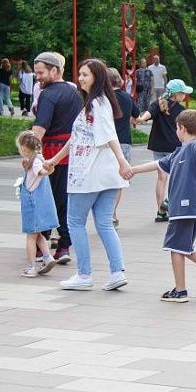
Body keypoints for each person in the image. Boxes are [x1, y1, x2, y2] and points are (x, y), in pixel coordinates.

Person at [43, 59, 131, 291]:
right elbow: (76, 139)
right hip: (105, 175)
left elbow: (110, 135)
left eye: (85, 75)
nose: (80, 78)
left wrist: (122, 161)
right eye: (80, 74)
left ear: (97, 78)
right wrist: (54, 160)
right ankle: (117, 272)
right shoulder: (96, 103)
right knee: (104, 223)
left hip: (89, 174)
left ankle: (84, 274)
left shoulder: (97, 104)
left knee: (75, 222)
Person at [127, 110, 196, 303]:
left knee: (175, 247)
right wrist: (133, 170)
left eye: (176, 128)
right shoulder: (177, 153)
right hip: (184, 209)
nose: (176, 131)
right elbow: (158, 164)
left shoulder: (193, 147)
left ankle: (181, 290)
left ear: (182, 128)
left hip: (186, 207)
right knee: (183, 246)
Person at [32, 51, 81, 265]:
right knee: (64, 199)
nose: (38, 78)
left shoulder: (48, 94)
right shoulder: (74, 93)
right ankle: (64, 246)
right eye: (36, 73)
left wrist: (29, 154)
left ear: (55, 70)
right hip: (71, 153)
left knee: (46, 199)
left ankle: (42, 246)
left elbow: (40, 128)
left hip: (50, 155)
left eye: (41, 73)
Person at [136, 79, 189, 222]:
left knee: (161, 178)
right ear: (177, 94)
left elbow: (148, 114)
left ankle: (160, 212)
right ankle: (168, 202)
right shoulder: (181, 111)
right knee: (178, 177)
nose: (184, 95)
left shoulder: (158, 104)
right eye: (183, 93)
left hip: (158, 145)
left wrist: (140, 119)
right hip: (174, 147)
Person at [15, 131, 58, 278]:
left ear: (24, 148)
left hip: (32, 204)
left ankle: (31, 267)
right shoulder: (36, 158)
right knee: (38, 233)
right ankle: (47, 257)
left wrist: (48, 171)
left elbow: (39, 172)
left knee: (30, 235)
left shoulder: (36, 161)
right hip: (37, 203)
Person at [109, 68, 140, 227]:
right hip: (125, 142)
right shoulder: (127, 97)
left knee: (106, 178)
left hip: (107, 143)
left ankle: (107, 213)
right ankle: (113, 213)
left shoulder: (104, 98)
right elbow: (137, 114)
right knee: (119, 180)